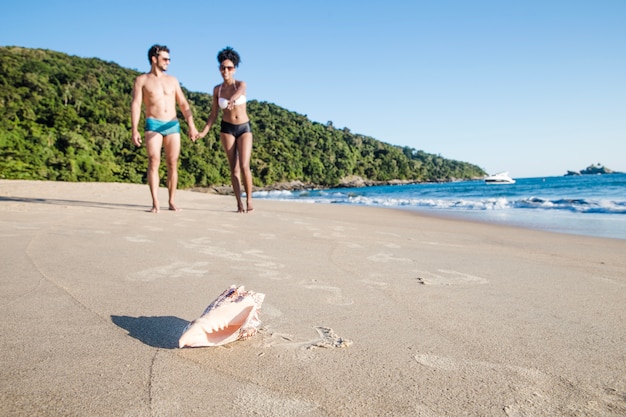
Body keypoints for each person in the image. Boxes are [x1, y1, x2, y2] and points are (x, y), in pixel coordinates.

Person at [131, 44, 199, 213]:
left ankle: (172, 201)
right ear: (154, 59)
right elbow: (136, 104)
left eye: (169, 59)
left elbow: (183, 103)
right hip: (153, 123)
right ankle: (155, 202)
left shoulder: (173, 80)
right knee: (154, 160)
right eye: (165, 59)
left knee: (172, 163)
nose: (168, 62)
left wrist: (191, 125)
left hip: (172, 124)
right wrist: (134, 129)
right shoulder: (142, 80)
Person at [198, 47, 254, 213]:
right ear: (219, 69)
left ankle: (249, 200)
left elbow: (240, 93)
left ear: (234, 69)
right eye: (223, 67)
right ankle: (239, 203)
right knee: (234, 168)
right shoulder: (217, 90)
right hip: (227, 128)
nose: (226, 70)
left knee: (244, 165)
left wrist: (232, 99)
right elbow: (213, 115)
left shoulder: (241, 84)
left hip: (244, 127)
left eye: (229, 68)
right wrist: (203, 132)